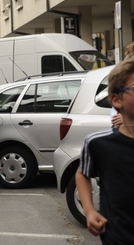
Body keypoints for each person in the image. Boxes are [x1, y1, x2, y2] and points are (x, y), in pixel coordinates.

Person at [75, 58, 134, 244]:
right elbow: (82, 173)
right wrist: (89, 210)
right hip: (118, 237)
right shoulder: (98, 144)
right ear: (116, 100)